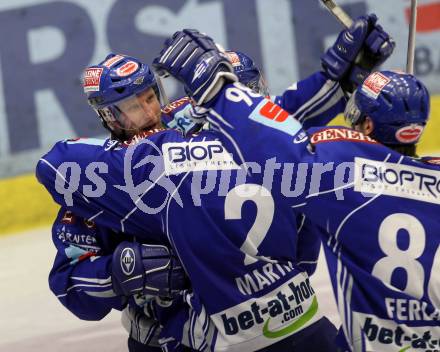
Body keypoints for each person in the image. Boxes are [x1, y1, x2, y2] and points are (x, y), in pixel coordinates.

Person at [37, 17, 398, 351]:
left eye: (150, 97)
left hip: (260, 320)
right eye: (134, 107)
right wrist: (119, 272)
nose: (149, 112)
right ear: (108, 115)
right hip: (167, 341)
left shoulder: (188, 122)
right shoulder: (103, 178)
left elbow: (265, 123)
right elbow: (70, 280)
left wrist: (334, 83)